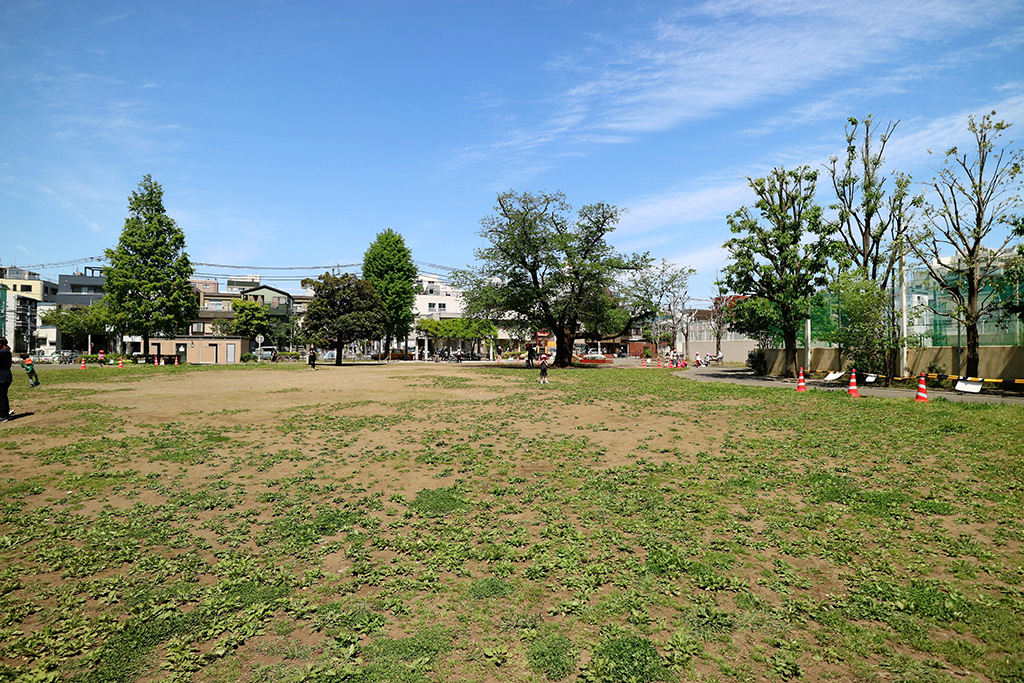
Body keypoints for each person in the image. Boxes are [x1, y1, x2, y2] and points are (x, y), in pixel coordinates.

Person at [0, 338, 12, 422]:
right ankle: (5, 414)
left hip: (3, 378)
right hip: (3, 377)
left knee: (1, 397)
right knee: (3, 396)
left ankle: (3, 416)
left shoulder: (4, 352)